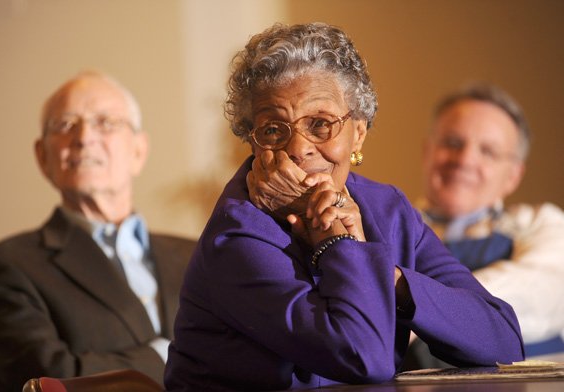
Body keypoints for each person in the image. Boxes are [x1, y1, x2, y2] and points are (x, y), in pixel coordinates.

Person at [164, 23, 524, 391]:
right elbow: (363, 356)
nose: (298, 149)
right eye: (274, 130)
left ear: (359, 133)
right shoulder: (239, 233)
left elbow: (503, 340)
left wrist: (390, 277)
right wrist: (336, 240)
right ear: (253, 142)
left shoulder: (387, 210)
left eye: (320, 124)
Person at [0, 71, 195, 392]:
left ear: (138, 151)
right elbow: (46, 379)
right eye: (65, 125)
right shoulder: (3, 266)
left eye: (106, 122)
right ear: (42, 156)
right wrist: (168, 355)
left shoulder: (199, 253)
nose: (85, 137)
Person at [406, 83, 564, 368]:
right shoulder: (390, 224)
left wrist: (421, 307)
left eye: (488, 151)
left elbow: (542, 291)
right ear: (427, 151)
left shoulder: (542, 224)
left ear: (513, 175)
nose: (465, 160)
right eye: (453, 143)